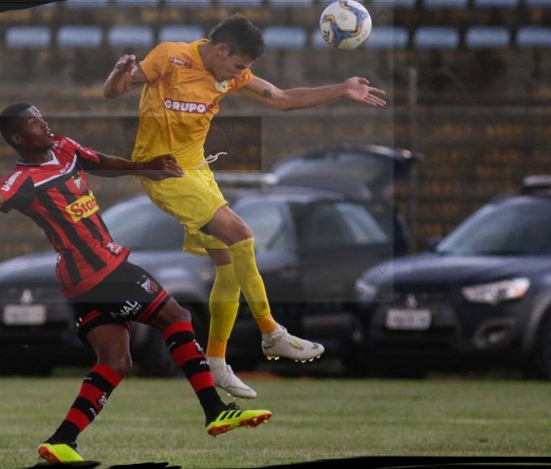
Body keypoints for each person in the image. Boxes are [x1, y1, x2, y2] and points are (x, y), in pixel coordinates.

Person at [102, 14, 387, 399]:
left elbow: (283, 99)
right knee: (243, 234)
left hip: (197, 172)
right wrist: (118, 73)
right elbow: (114, 92)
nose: (241, 74)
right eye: (239, 65)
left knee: (229, 265)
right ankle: (271, 332)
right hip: (161, 171)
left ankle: (216, 362)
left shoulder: (230, 74)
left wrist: (342, 88)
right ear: (221, 50)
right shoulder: (170, 57)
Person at [0, 103, 273, 464]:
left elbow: (102, 162)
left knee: (115, 361)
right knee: (176, 316)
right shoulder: (23, 180)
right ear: (19, 138)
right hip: (102, 271)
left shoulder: (65, 148)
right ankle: (215, 409)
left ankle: (61, 441)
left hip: (80, 278)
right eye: (34, 122)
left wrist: (147, 167)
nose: (43, 122)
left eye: (41, 116)